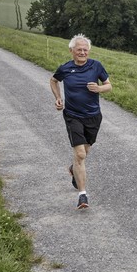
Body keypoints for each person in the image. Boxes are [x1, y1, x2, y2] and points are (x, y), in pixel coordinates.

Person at [50, 34, 112, 209]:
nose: (82, 52)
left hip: (93, 116)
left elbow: (109, 85)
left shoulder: (96, 66)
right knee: (80, 155)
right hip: (72, 116)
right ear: (72, 51)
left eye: (85, 50)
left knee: (85, 151)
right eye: (79, 50)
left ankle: (74, 169)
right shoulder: (65, 68)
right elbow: (54, 80)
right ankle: (82, 195)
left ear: (89, 51)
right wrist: (58, 98)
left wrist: (99, 88)